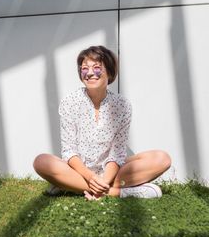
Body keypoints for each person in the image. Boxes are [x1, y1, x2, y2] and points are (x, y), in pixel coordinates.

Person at [33, 45, 171, 199]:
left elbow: (117, 153)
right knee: (41, 162)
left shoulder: (122, 105)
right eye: (84, 68)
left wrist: (104, 180)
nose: (90, 73)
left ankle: (70, 185)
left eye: (97, 68)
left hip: (112, 171)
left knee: (162, 158)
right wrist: (91, 178)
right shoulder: (69, 102)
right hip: (79, 170)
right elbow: (69, 150)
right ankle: (118, 192)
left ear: (110, 72)